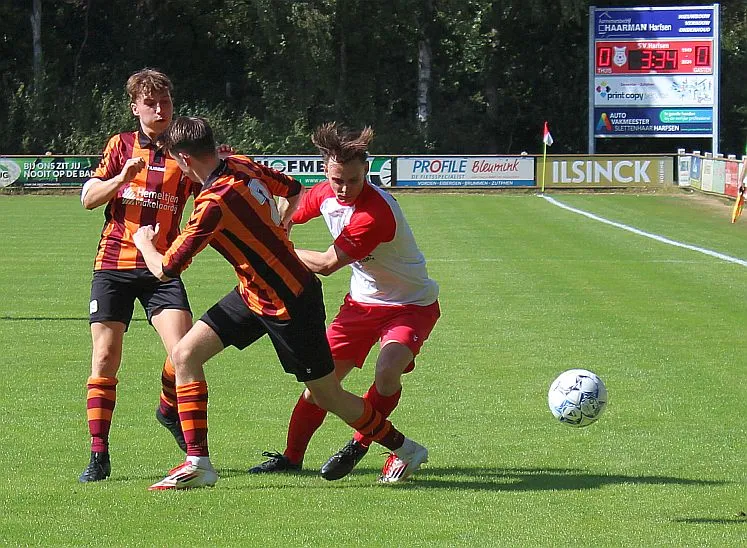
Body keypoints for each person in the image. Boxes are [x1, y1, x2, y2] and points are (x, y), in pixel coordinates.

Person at [132, 116, 429, 490]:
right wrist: (278, 235)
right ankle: (198, 462)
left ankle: (406, 449)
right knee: (185, 354)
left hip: (291, 303)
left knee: (327, 395)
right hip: (252, 293)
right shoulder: (241, 164)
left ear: (185, 159)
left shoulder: (212, 203)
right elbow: (292, 189)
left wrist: (144, 243)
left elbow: (166, 269)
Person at [249, 123, 440, 480]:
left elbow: (325, 264)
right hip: (360, 305)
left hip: (411, 305)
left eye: (354, 180)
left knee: (387, 372)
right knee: (319, 388)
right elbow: (291, 209)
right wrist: (279, 225)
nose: (345, 188)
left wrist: (272, 249)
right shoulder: (324, 192)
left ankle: (359, 444)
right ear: (325, 171)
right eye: (338, 180)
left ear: (366, 171)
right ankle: (291, 458)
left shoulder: (374, 214)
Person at [78, 69, 202, 483]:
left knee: (183, 351)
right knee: (104, 357)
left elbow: (212, 193)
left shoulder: (185, 152)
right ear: (136, 108)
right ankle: (99, 453)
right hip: (113, 264)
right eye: (151, 103)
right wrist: (120, 179)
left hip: (161, 267)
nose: (160, 109)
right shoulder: (120, 145)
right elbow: (88, 199)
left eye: (165, 102)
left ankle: (168, 409)